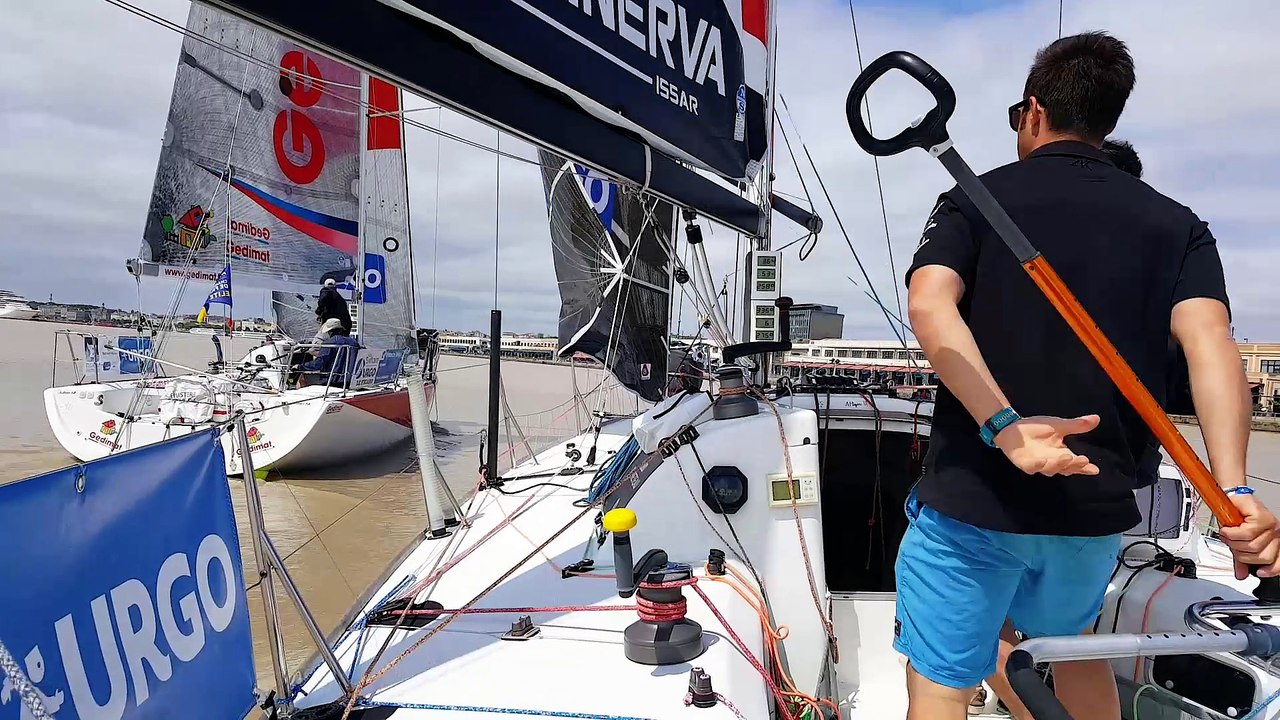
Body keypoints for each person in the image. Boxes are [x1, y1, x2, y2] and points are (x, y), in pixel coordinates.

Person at [896, 31, 1280, 720]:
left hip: (977, 498)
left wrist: (1008, 429)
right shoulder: (1178, 224)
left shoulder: (976, 199)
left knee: (942, 683)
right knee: (1068, 651)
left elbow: (929, 304)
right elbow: (1211, 345)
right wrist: (1235, 487)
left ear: (1034, 111)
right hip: (1092, 516)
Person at [974, 134, 1153, 717]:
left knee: (985, 630)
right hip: (1097, 502)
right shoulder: (1149, 272)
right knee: (1077, 645)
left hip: (1002, 490)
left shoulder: (1020, 266)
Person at [295, 324, 360, 388]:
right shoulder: (354, 343)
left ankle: (299, 397)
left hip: (332, 381)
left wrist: (299, 367)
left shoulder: (330, 342)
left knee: (303, 377)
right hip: (350, 381)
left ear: (330, 331)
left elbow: (318, 364)